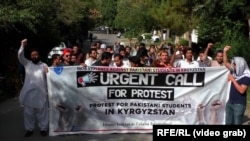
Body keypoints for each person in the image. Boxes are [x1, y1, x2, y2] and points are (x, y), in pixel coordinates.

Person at [17, 39, 49, 137]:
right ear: (30, 57)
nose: (34, 56)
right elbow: (20, 56)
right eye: (32, 55)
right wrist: (22, 46)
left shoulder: (44, 65)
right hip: (29, 94)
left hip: (41, 93)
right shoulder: (27, 64)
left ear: (39, 55)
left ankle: (43, 128)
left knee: (42, 113)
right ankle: (29, 129)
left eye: (36, 54)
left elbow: (52, 76)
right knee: (28, 113)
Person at [223, 45, 250, 125]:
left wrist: (232, 79)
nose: (232, 65)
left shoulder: (247, 76)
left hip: (239, 105)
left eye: (234, 64)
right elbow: (225, 63)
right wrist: (224, 51)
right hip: (230, 103)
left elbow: (242, 90)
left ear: (240, 65)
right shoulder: (234, 71)